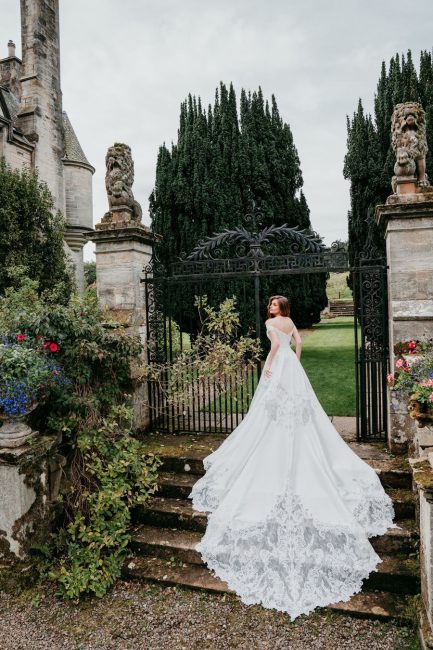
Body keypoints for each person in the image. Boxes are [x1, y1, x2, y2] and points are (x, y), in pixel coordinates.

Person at [189, 295, 395, 619]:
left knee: (270, 413)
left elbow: (273, 349)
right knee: (298, 413)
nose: (269, 308)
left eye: (272, 304)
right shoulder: (290, 323)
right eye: (269, 304)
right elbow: (298, 344)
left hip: (279, 367)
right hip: (293, 369)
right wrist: (294, 362)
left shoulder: (272, 325)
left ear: (278, 308)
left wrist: (269, 367)